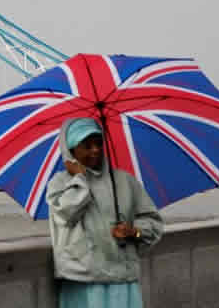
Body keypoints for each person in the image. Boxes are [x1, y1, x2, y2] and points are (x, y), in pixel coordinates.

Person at [46, 118, 164, 308]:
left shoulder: (125, 181)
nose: (95, 150)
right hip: (82, 281)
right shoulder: (59, 184)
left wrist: (133, 231)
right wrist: (79, 180)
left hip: (122, 279)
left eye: (99, 143)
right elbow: (66, 215)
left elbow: (153, 222)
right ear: (71, 150)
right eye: (87, 145)